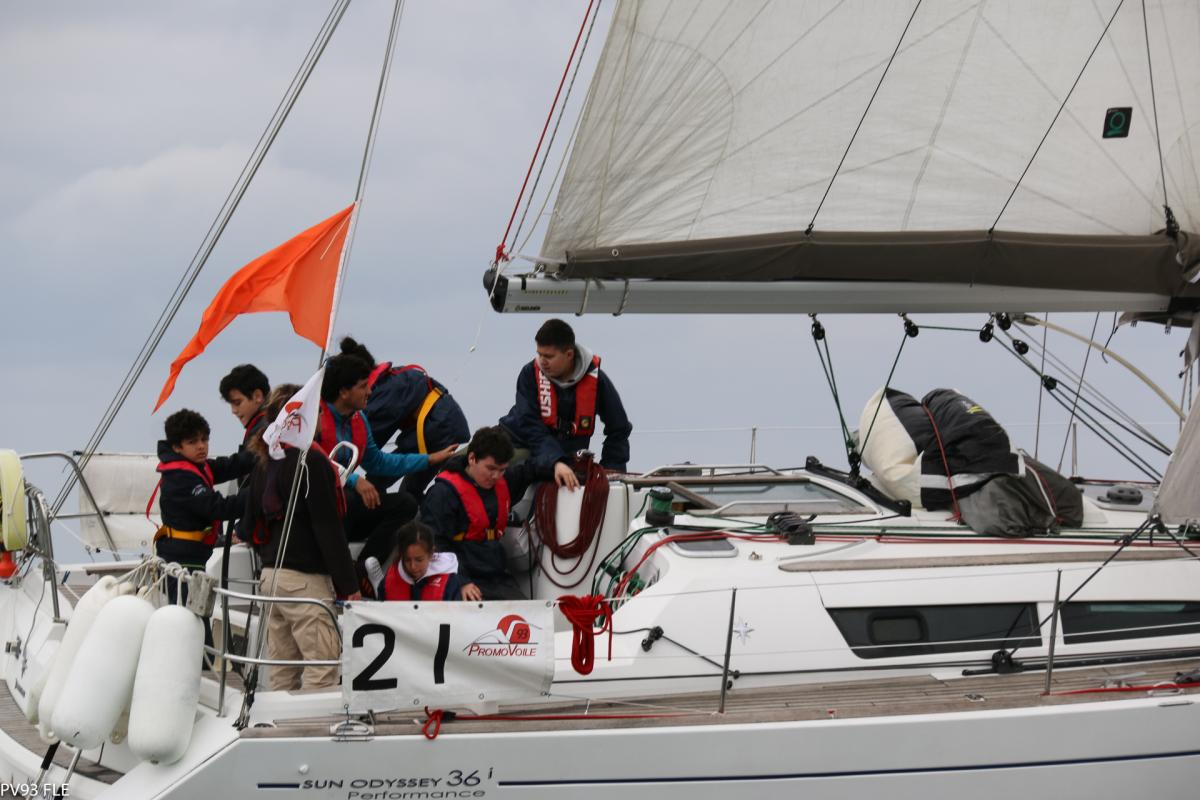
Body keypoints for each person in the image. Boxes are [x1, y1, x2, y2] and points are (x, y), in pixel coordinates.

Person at [241, 384, 360, 691]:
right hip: (304, 582)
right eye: (318, 411)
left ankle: (278, 719)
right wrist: (349, 586)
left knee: (282, 669)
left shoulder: (265, 461)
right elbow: (327, 528)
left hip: (271, 578)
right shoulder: (311, 462)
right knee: (323, 666)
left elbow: (249, 526)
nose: (322, 418)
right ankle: (311, 720)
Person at [317, 354, 457, 569]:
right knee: (348, 497)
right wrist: (354, 480)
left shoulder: (359, 419)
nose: (370, 392)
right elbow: (310, 461)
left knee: (405, 504)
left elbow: (378, 462)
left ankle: (363, 568)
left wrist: (429, 459)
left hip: (346, 513)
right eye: (363, 386)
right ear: (344, 392)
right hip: (318, 511)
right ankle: (335, 566)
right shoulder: (313, 418)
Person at [421, 426, 553, 601]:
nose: (496, 476)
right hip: (459, 577)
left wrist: (559, 465)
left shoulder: (503, 482)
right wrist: (461, 581)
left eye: (502, 470)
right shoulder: (442, 494)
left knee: (525, 612)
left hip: (495, 576)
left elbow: (531, 469)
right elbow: (434, 543)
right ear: (472, 458)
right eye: (491, 468)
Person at [499, 318, 632, 489]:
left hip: (565, 458)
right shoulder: (529, 374)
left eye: (549, 356)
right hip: (520, 444)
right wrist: (556, 461)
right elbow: (530, 425)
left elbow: (619, 428)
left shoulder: (597, 381)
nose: (542, 361)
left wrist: (610, 472)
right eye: (539, 354)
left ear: (569, 354)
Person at [338, 337, 470, 499]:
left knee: (381, 481)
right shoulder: (389, 381)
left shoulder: (384, 394)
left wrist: (339, 471)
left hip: (438, 428)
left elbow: (363, 446)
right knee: (408, 490)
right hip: (441, 425)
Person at [153, 409, 253, 578]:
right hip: (182, 562)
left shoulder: (196, 465)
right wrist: (260, 492)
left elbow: (230, 466)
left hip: (194, 555)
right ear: (176, 447)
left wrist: (261, 453)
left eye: (204, 439)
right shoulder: (180, 478)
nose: (201, 446)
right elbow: (220, 508)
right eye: (192, 442)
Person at [373, 520, 464, 601]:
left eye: (419, 560)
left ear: (431, 554)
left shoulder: (450, 583)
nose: (413, 566)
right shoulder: (388, 581)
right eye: (407, 560)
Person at [220, 363, 271, 452]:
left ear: (257, 396)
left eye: (237, 403)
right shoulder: (271, 423)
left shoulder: (264, 430)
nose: (233, 411)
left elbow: (247, 459)